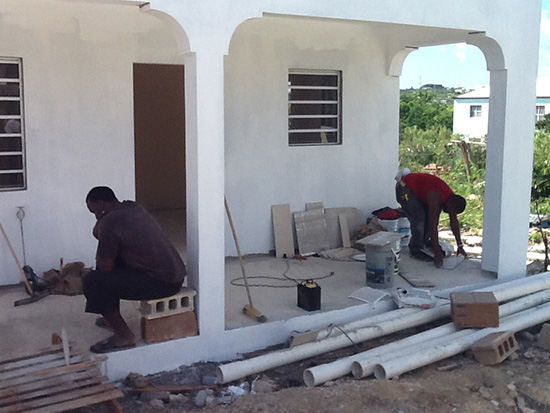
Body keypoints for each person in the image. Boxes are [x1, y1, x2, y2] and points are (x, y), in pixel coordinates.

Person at [83, 186, 187, 353]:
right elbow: (100, 235)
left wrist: (101, 220)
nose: (95, 216)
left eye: (94, 211)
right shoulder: (132, 207)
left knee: (93, 281)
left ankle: (124, 336)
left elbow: (104, 265)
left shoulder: (110, 222)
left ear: (101, 204)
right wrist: (101, 219)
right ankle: (112, 319)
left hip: (161, 282)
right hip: (174, 275)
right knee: (110, 268)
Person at [395, 171, 467, 268]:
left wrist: (460, 246)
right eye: (451, 212)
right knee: (420, 217)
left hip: (417, 191)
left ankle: (423, 243)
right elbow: (433, 225)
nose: (450, 214)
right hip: (404, 187)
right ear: (450, 204)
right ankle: (415, 248)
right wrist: (437, 250)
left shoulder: (451, 201)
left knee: (426, 218)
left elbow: (454, 222)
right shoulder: (436, 198)